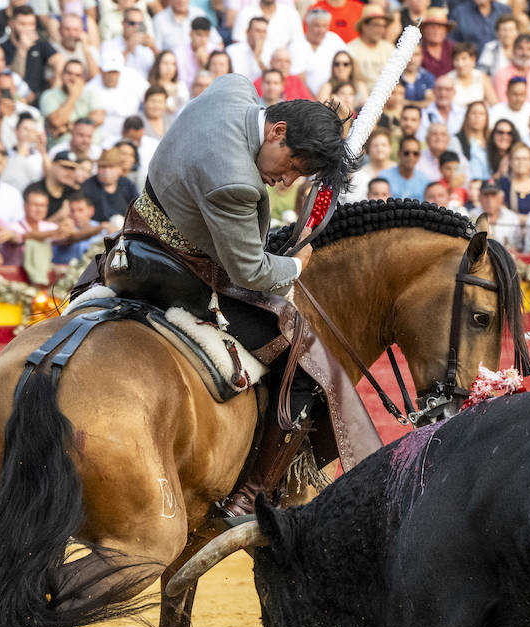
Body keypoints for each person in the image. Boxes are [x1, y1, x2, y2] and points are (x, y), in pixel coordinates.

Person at [117, 74, 368, 522]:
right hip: (179, 274)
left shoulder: (234, 90)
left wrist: (322, 122)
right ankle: (251, 495)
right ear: (276, 131)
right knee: (304, 361)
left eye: (299, 175)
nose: (287, 181)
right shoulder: (235, 182)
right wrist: (297, 265)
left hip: (135, 236)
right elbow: (250, 271)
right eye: (291, 166)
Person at [82, 146, 138, 225]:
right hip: (95, 230)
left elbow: (137, 210)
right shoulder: (87, 186)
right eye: (103, 167)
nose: (106, 171)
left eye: (111, 167)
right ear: (97, 169)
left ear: (120, 169)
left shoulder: (127, 184)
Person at [345, 4, 393, 90]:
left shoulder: (389, 48)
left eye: (383, 26)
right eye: (376, 25)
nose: (381, 30)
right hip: (362, 99)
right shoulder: (351, 49)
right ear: (364, 26)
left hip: (388, 95)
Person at [378, 134, 431, 199]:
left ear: (419, 156)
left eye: (415, 153)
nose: (411, 157)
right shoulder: (384, 177)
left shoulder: (424, 179)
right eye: (406, 153)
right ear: (399, 153)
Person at [495, 142, 530, 215]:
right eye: (517, 159)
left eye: (525, 159)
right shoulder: (502, 185)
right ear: (510, 162)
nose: (521, 162)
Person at [475, 178, 522, 248]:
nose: (489, 200)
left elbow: (518, 247)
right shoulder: (470, 216)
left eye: (493, 195)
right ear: (479, 198)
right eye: (486, 195)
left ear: (501, 198)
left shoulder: (512, 218)